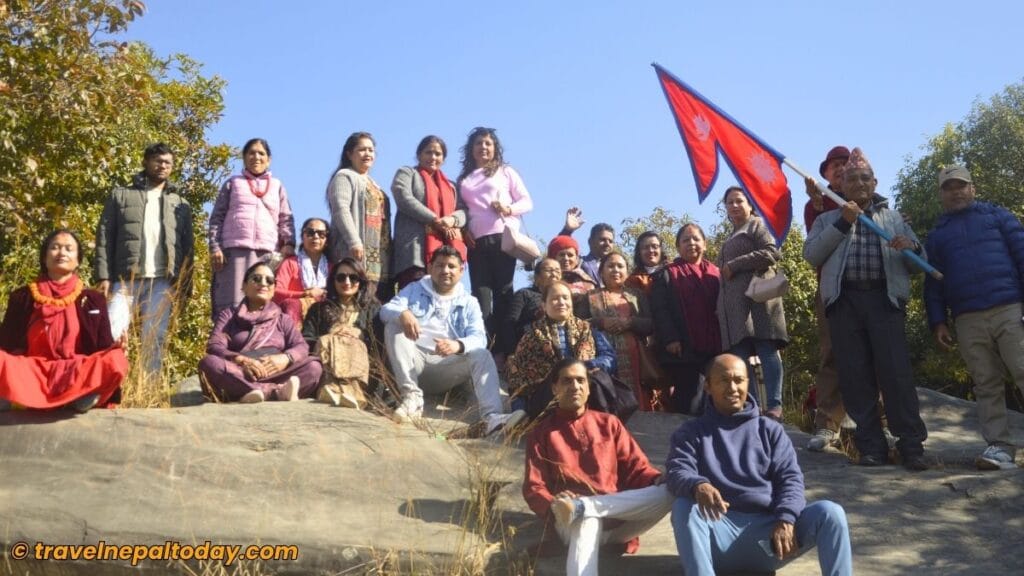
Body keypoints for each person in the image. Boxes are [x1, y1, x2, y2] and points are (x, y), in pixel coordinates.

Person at [666, 353, 853, 576]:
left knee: (830, 513)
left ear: (748, 383)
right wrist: (698, 485)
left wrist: (786, 518)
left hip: (769, 537)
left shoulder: (769, 430)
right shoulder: (690, 432)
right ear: (707, 386)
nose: (733, 388)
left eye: (739, 380)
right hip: (718, 534)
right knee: (683, 507)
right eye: (724, 380)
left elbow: (790, 479)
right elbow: (677, 470)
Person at [804, 148, 929, 471]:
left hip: (884, 302)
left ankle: (911, 446)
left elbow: (920, 263)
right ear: (841, 186)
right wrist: (842, 224)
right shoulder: (826, 219)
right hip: (845, 304)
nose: (858, 183)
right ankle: (871, 446)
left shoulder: (894, 217)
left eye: (864, 178)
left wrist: (911, 247)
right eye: (851, 179)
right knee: (855, 376)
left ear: (874, 183)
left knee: (896, 374)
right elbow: (813, 255)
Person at [523, 359, 673, 576]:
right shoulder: (541, 433)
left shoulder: (609, 423)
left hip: (618, 523)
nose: (575, 386)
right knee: (586, 519)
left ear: (589, 387)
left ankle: (586, 506)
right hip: (570, 522)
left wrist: (656, 479)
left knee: (671, 491)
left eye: (581, 380)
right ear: (554, 388)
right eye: (567, 381)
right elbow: (534, 487)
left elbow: (637, 467)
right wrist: (554, 504)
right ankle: (583, 509)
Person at [924, 165, 1024, 470]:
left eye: (961, 185)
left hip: (1009, 308)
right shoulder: (937, 235)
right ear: (942, 194)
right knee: (985, 382)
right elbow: (933, 282)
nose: (956, 191)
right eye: (949, 187)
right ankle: (1000, 447)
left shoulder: (998, 217)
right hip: (967, 318)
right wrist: (938, 321)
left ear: (973, 188)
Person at [380, 245, 526, 434]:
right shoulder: (414, 289)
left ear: (461, 270)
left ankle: (492, 418)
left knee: (481, 354)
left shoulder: (469, 301)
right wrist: (403, 313)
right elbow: (385, 311)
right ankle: (412, 399)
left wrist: (458, 345)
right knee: (394, 325)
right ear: (430, 267)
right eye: (440, 265)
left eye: (451, 266)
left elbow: (479, 337)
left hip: (448, 369)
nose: (445, 271)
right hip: (414, 364)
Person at [94, 142, 194, 377]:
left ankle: (149, 392)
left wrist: (185, 286)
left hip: (162, 282)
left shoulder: (180, 203)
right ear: (146, 162)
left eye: (168, 163)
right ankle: (107, 386)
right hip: (125, 279)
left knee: (155, 338)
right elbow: (104, 237)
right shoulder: (121, 196)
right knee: (113, 331)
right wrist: (103, 275)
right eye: (158, 161)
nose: (163, 166)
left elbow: (188, 249)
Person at [0, 230, 128, 412]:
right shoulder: (22, 296)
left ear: (77, 260)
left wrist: (117, 347)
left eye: (69, 249)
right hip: (32, 371)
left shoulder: (93, 299)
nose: (61, 253)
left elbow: (103, 345)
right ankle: (13, 394)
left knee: (116, 359)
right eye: (55, 248)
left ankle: (80, 396)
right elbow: (6, 343)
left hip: (75, 371)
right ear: (44, 257)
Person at [199, 262, 322, 403]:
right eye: (257, 279)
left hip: (277, 372)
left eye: (269, 281)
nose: (263, 284)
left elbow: (301, 346)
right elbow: (215, 345)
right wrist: (242, 361)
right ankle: (276, 392)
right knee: (209, 364)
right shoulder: (228, 315)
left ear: (274, 288)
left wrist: (286, 358)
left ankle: (256, 392)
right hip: (242, 373)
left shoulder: (282, 319)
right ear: (244, 286)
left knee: (314, 367)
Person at [716, 186, 789, 420]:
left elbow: (771, 252)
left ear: (750, 204)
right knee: (741, 356)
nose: (734, 205)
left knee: (766, 349)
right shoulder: (731, 234)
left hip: (758, 300)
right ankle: (753, 406)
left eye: (739, 201)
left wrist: (735, 264)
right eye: (730, 202)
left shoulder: (757, 224)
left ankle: (775, 406)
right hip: (736, 309)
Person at [457, 127, 533, 337]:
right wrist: (464, 231)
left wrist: (509, 209)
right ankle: (485, 343)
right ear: (471, 149)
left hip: (503, 238)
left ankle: (505, 346)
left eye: (488, 143)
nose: (483, 147)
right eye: (479, 143)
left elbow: (527, 201)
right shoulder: (463, 179)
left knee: (503, 293)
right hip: (476, 243)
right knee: (480, 295)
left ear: (495, 148)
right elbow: (461, 209)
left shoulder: (505, 171)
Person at [208, 138, 296, 319]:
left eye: (261, 153)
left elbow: (286, 218)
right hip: (234, 251)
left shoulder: (277, 186)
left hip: (267, 253)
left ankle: (258, 342)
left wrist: (288, 243)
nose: (256, 157)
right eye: (251, 153)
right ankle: (226, 342)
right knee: (231, 301)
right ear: (244, 157)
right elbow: (216, 217)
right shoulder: (232, 183)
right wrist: (215, 247)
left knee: (261, 298)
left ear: (269, 159)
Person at [506, 280, 616, 418]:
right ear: (544, 305)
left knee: (596, 378)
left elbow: (609, 357)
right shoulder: (531, 335)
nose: (561, 302)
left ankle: (600, 422)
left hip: (584, 388)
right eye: (554, 299)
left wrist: (589, 365)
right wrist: (518, 410)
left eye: (565, 298)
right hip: (548, 394)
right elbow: (518, 376)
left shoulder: (587, 329)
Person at [803, 146, 851, 451]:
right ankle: (827, 425)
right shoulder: (816, 205)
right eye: (834, 165)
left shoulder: (869, 198)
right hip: (831, 289)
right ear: (825, 173)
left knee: (872, 356)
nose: (839, 169)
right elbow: (816, 246)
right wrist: (819, 202)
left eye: (845, 163)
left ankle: (878, 423)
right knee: (831, 353)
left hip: (867, 287)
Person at [651, 223, 722, 415]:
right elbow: (660, 310)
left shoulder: (717, 273)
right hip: (684, 349)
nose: (691, 243)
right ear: (677, 247)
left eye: (696, 239)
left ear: (705, 244)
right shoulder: (666, 274)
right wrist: (670, 338)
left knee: (716, 398)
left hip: (716, 347)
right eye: (685, 240)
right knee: (691, 400)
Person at [576, 252, 655, 411]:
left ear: (627, 271)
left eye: (620, 266)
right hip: (602, 359)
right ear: (601, 271)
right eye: (610, 266)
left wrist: (630, 322)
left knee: (638, 406)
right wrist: (601, 322)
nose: (615, 270)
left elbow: (651, 324)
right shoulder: (590, 297)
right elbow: (578, 325)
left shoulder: (636, 295)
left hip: (637, 361)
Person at [303, 257, 385, 410]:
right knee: (328, 339)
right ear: (333, 281)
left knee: (356, 343)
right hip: (327, 367)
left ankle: (353, 391)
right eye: (341, 277)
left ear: (360, 281)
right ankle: (332, 388)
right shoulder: (318, 309)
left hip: (363, 372)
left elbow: (381, 345)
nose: (347, 282)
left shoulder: (373, 309)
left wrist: (361, 335)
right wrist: (331, 335)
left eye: (353, 278)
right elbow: (306, 340)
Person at [391, 135, 467, 290]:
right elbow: (403, 197)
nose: (433, 157)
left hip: (444, 257)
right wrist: (434, 219)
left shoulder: (451, 186)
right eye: (428, 152)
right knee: (413, 300)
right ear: (419, 155)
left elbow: (464, 211)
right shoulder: (407, 173)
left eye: (438, 154)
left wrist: (452, 220)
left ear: (443, 159)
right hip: (414, 253)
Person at [326, 131, 393, 302]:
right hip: (355, 254)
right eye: (362, 150)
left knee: (376, 307)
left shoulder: (374, 184)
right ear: (349, 154)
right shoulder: (345, 176)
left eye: (371, 150)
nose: (368, 154)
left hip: (379, 259)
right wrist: (354, 241)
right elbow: (341, 209)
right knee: (355, 302)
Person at [494, 257, 562, 361]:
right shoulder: (525, 294)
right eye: (548, 270)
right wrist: (512, 353)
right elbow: (509, 324)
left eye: (557, 271)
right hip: (529, 351)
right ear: (537, 277)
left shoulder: (564, 299)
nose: (554, 274)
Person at [273, 217, 330, 323]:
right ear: (302, 237)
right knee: (293, 305)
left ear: (327, 240)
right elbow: (275, 292)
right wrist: (305, 294)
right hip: (293, 317)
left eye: (321, 233)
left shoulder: (332, 267)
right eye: (310, 232)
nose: (315, 236)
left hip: (324, 317)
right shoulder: (290, 263)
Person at [560, 208, 616, 288]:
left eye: (610, 241)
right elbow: (559, 251)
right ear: (590, 241)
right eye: (602, 240)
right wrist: (567, 230)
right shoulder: (579, 262)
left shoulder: (617, 268)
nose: (607, 244)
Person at [625, 231, 668, 295]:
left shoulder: (672, 271)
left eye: (655, 246)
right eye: (645, 247)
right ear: (639, 252)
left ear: (661, 249)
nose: (651, 250)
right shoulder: (632, 281)